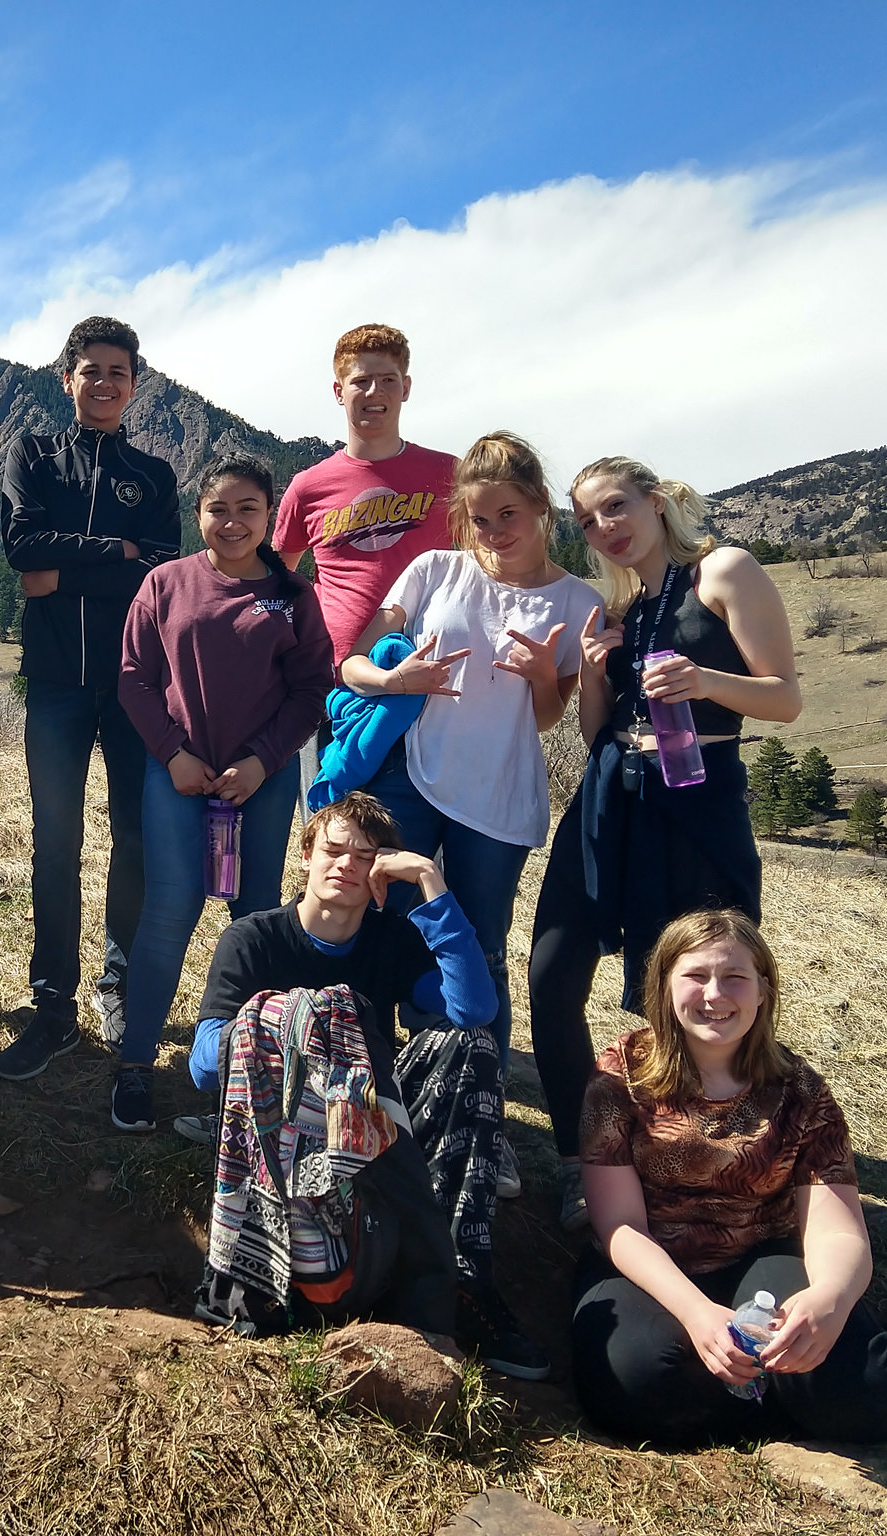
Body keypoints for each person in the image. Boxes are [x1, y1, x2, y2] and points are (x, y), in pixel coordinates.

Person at [573, 909, 887, 1471]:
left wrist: (832, 1299)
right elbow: (619, 1225)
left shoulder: (801, 1093)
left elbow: (836, 1226)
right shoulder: (619, 1076)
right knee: (631, 1381)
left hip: (762, 1259)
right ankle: (789, 1403)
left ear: (764, 991)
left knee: (855, 1382)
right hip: (650, 1264)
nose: (714, 994)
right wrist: (700, 1315)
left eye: (735, 978)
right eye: (695, 975)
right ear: (664, 984)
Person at [188, 791, 549, 1377]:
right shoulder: (253, 939)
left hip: (371, 1121)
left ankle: (464, 1283)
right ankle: (273, 1275)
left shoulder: (391, 939)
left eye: (366, 858)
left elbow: (474, 1010)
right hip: (278, 1129)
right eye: (333, 850)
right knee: (304, 1014)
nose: (346, 866)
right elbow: (204, 1064)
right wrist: (296, 1019)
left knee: (473, 1047)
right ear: (306, 854)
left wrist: (431, 884)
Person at [529, 457, 802, 1232]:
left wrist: (705, 682)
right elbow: (595, 735)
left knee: (692, 992)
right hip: (609, 803)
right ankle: (579, 1158)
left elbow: (784, 697)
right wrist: (592, 673)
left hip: (697, 803)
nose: (603, 528)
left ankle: (695, 1156)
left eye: (615, 507)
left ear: (656, 501)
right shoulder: (626, 604)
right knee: (551, 976)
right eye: (586, 521)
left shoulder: (724, 571)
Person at [337, 433, 602, 1197]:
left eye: (508, 515)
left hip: (499, 797)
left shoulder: (576, 601)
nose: (493, 534)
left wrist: (543, 677)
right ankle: (380, 1101)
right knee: (389, 929)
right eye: (479, 519)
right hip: (414, 779)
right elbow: (354, 658)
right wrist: (394, 679)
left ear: (542, 509)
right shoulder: (434, 571)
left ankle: (479, 1122)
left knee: (479, 952)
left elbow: (551, 719)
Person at [113, 454, 333, 1133]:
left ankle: (253, 1078)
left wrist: (263, 764)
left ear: (270, 516)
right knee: (168, 913)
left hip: (259, 784)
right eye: (218, 509)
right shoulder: (166, 583)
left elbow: (309, 691)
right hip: (177, 775)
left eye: (247, 509)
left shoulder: (291, 596)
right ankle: (134, 1067)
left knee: (256, 917)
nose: (232, 522)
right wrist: (173, 755)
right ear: (198, 514)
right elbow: (133, 678)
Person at [0, 316, 180, 1079]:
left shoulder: (156, 475)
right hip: (57, 683)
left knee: (134, 839)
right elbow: (21, 551)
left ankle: (121, 988)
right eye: (91, 371)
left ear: (133, 386)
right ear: (66, 377)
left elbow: (162, 572)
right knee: (54, 845)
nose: (104, 384)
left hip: (136, 682)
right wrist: (118, 554)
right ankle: (52, 1008)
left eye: (118, 374)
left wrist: (71, 572)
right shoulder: (32, 455)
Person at [273, 323, 457, 689]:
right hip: (340, 685)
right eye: (361, 381)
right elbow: (277, 583)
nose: (375, 391)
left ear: (405, 388)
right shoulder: (308, 488)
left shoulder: (450, 474)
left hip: (433, 673)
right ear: (339, 391)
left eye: (388, 379)